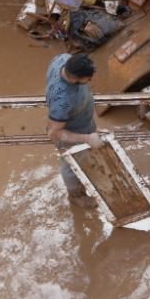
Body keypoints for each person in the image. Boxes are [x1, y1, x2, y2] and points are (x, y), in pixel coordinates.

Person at [45, 53, 104, 207]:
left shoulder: (63, 59)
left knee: (85, 157)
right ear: (74, 79)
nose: (90, 80)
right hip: (71, 132)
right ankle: (76, 196)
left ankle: (88, 166)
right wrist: (87, 139)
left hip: (82, 120)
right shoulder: (63, 101)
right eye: (88, 79)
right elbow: (54, 133)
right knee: (70, 165)